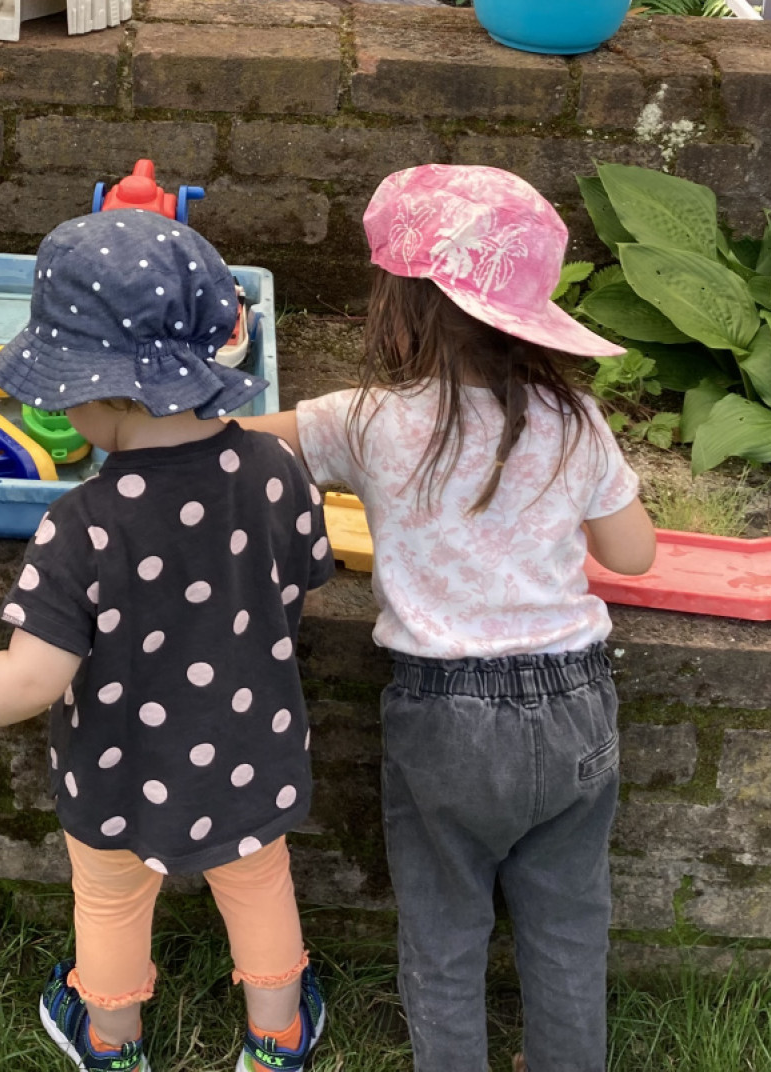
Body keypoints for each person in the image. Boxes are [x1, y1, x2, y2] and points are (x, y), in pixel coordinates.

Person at [0, 211, 334, 1072]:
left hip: (119, 768)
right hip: (253, 748)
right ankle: (277, 1042)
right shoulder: (281, 473)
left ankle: (112, 1042)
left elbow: (30, 679)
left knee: (113, 902)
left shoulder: (82, 525)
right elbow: (301, 580)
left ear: (96, 392)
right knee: (259, 883)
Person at [243, 165, 657, 1072]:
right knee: (569, 925)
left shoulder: (368, 421)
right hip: (577, 705)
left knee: (444, 931)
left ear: (401, 307)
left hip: (444, 717)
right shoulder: (578, 421)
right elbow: (633, 555)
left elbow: (239, 446)